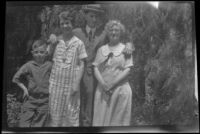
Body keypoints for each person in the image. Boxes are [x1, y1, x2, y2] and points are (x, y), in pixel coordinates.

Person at [73, 4, 133, 126]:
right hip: (80, 73)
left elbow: (120, 37)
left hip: (98, 75)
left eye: (96, 17)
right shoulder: (76, 32)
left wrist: (130, 45)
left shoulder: (104, 33)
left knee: (97, 105)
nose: (94, 19)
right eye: (91, 16)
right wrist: (53, 38)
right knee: (80, 104)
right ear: (85, 16)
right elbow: (62, 37)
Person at [47, 10, 87, 127]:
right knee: (55, 114)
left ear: (72, 24)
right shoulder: (56, 41)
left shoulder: (79, 43)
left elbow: (82, 64)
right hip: (55, 85)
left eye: (67, 23)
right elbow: (47, 55)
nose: (65, 26)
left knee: (71, 114)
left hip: (71, 85)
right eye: (62, 23)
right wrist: (51, 41)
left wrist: (76, 83)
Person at [92, 20, 133, 126]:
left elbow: (128, 69)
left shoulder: (126, 49)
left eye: (116, 30)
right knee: (101, 120)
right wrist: (104, 85)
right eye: (111, 30)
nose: (114, 32)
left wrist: (112, 84)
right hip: (103, 90)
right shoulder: (101, 49)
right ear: (107, 32)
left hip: (120, 89)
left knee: (117, 121)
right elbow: (95, 67)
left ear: (121, 32)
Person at [12, 39, 52, 127]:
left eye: (42, 52)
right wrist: (25, 89)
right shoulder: (29, 65)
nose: (39, 55)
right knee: (24, 124)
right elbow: (15, 78)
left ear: (46, 53)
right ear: (32, 53)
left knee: (38, 126)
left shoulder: (49, 65)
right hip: (30, 99)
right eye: (36, 52)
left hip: (44, 101)